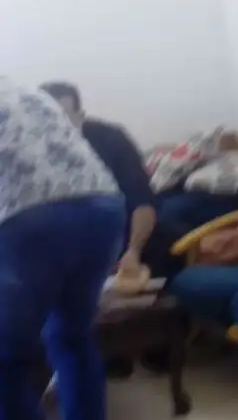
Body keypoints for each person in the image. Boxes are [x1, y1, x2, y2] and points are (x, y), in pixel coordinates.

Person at [0, 77, 126, 420]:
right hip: (101, 206)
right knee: (72, 339)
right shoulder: (21, 89)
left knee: (5, 365)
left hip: (27, 218)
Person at [40, 82, 156, 280]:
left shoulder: (110, 140)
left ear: (80, 116)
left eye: (64, 117)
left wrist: (133, 251)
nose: (56, 126)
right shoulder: (29, 148)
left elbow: (142, 202)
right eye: (47, 118)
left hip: (120, 237)